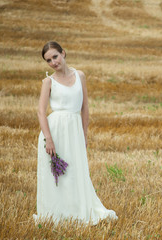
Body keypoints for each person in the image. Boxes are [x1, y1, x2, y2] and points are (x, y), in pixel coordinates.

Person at [33, 41, 118, 225]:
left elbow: (85, 107)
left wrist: (84, 135)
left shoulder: (80, 75)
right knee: (57, 175)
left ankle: (77, 211)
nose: (53, 62)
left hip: (74, 131)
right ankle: (57, 214)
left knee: (76, 171)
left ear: (63, 53)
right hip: (55, 132)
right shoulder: (48, 82)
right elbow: (41, 111)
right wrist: (48, 139)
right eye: (49, 60)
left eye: (55, 56)